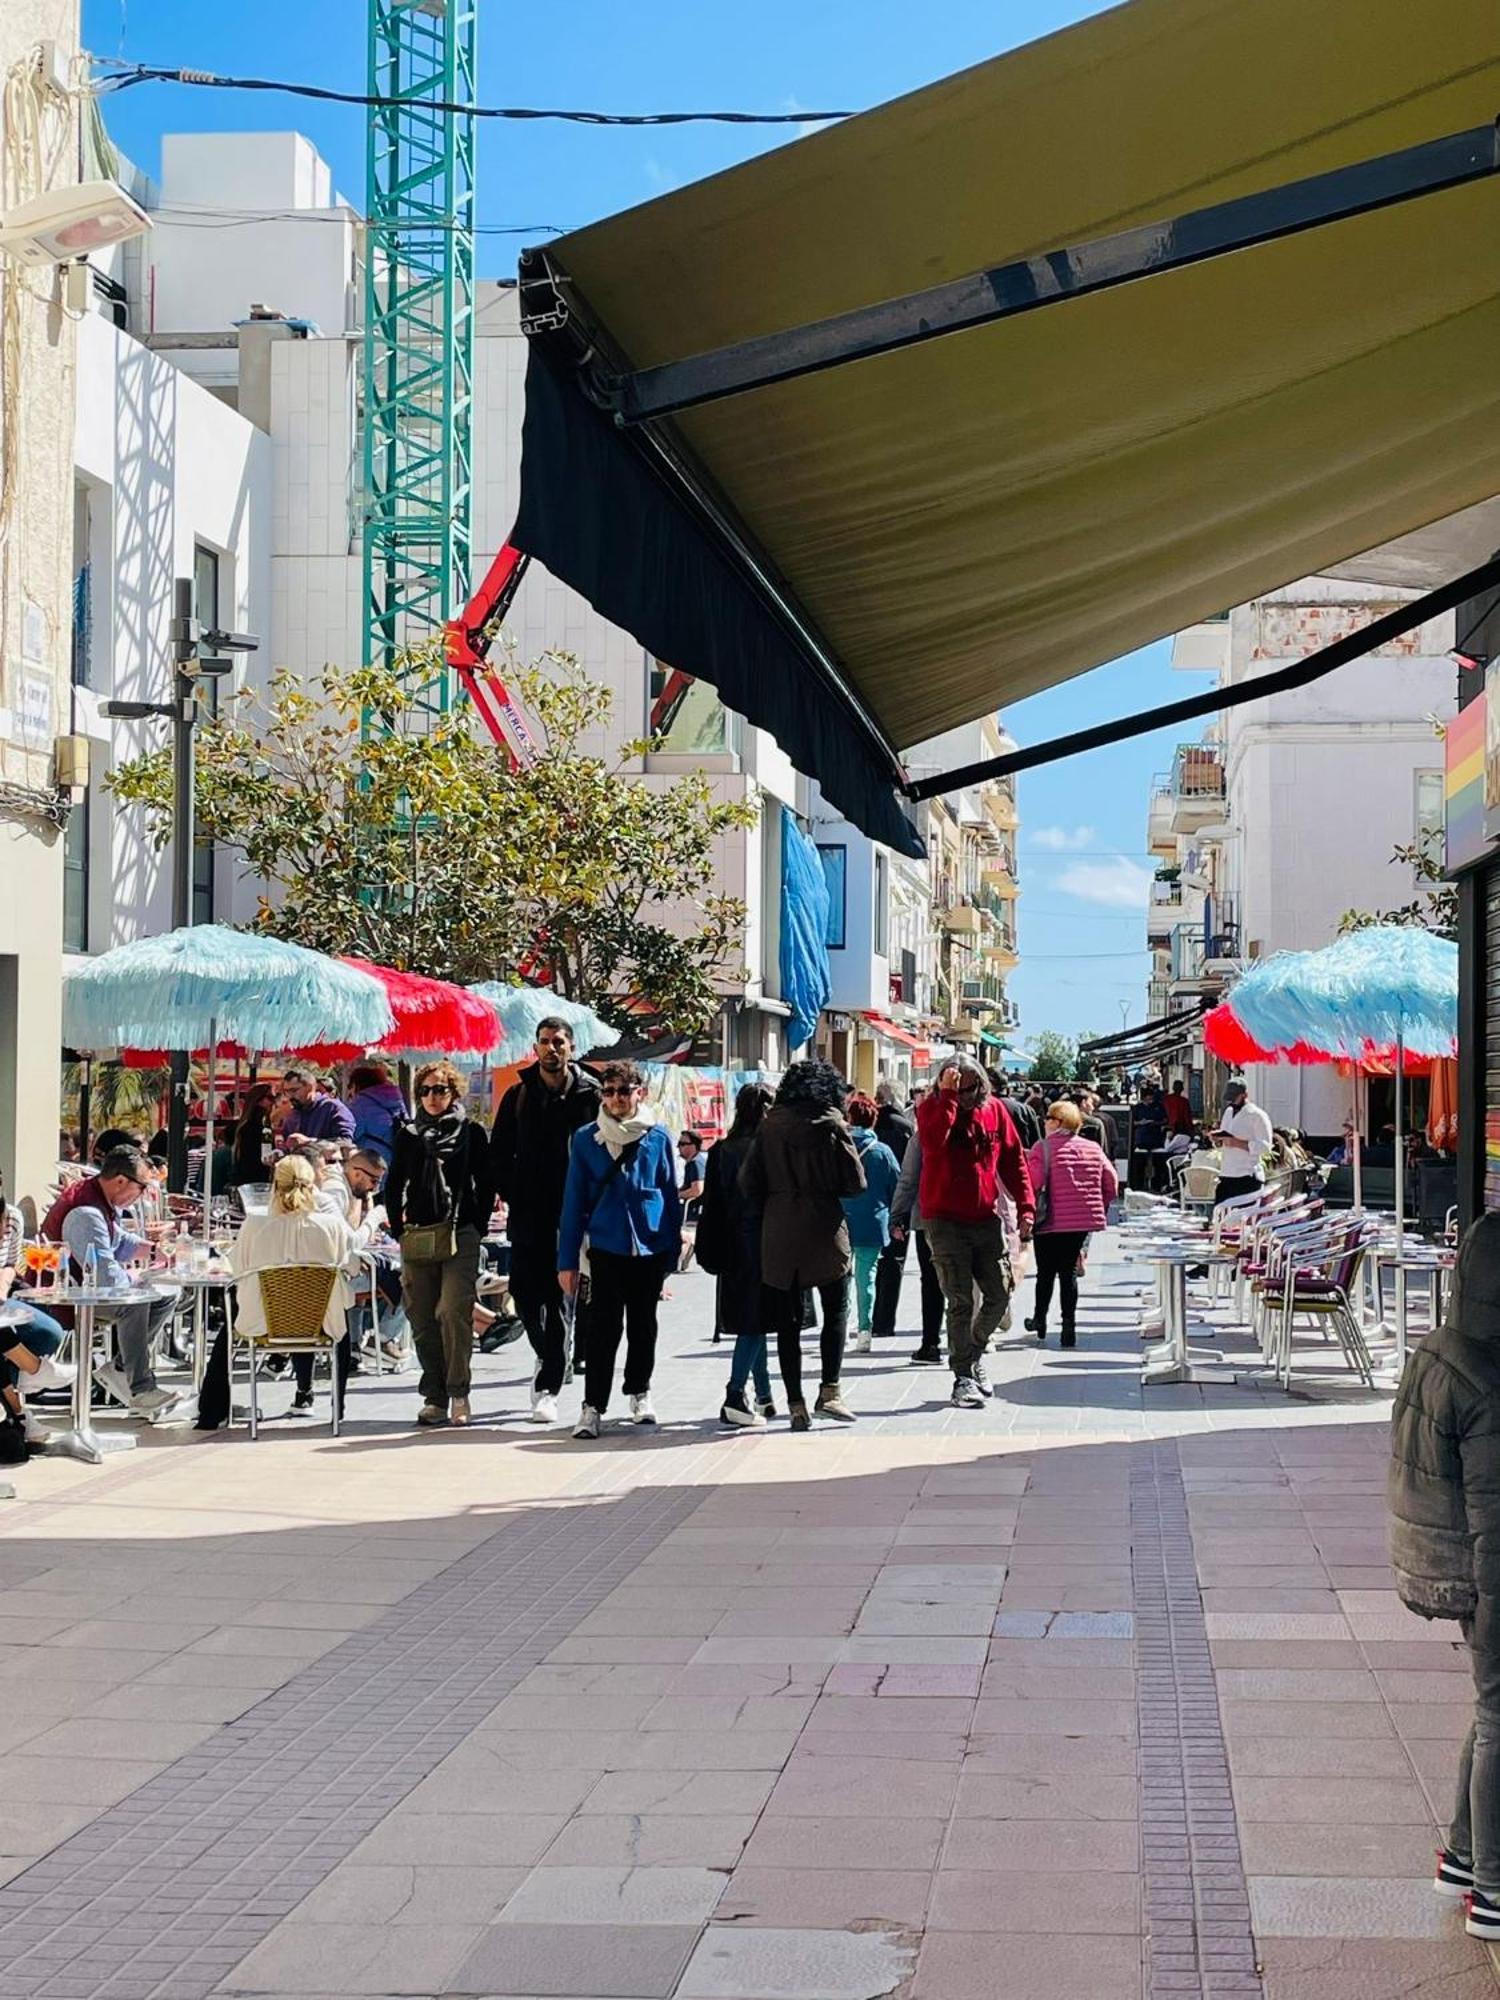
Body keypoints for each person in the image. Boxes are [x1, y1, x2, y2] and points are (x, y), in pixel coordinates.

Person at [1388, 1211, 1500, 1936]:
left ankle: (1463, 1855)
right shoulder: (1489, 1382)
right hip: (1479, 1568)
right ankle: (1493, 1890)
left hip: (1434, 1556)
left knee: (1492, 1710)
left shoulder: (1438, 1348)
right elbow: (1495, 1518)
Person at [558, 1061, 680, 1438]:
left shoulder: (657, 1137)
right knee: (601, 1331)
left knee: (644, 1327)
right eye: (608, 1092)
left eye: (623, 1091)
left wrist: (670, 1252)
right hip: (606, 1247)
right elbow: (573, 1201)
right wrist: (567, 1261)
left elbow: (669, 1195)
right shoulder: (585, 1138)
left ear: (639, 1093)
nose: (615, 1099)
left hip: (647, 1247)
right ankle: (592, 1406)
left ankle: (639, 1392)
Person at [741, 1061, 865, 1431]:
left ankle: (795, 1403)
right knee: (836, 1311)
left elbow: (748, 1182)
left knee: (787, 1322)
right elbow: (856, 1182)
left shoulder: (769, 1127)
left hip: (779, 1229)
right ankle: (830, 1391)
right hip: (825, 1227)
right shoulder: (833, 1125)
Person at [489, 1018, 601, 1425]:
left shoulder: (591, 1095)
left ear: (571, 1047)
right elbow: (498, 1153)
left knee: (557, 1298)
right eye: (543, 1042)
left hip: (573, 1213)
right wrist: (511, 1190)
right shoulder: (518, 1096)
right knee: (522, 1292)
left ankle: (548, 1385)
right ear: (535, 1048)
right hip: (528, 1211)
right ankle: (549, 1355)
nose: (551, 1049)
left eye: (558, 1042)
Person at [916, 1058, 1035, 1407]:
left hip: (984, 1216)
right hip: (944, 1218)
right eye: (959, 1088)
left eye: (973, 1088)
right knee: (960, 1301)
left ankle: (973, 1353)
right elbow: (934, 1143)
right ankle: (963, 1376)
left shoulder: (995, 1110)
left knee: (999, 1293)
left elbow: (1014, 1160)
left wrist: (1026, 1206)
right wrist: (948, 1099)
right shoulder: (932, 1109)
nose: (968, 1096)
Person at [387, 1061, 491, 1428]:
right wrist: (398, 1228)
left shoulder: (471, 1133)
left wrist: (476, 1225)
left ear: (454, 1093)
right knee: (421, 1315)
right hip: (418, 1232)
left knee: (452, 1309)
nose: (433, 1097)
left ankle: (458, 1389)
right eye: (426, 1090)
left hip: (460, 1230)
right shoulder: (409, 1134)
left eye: (441, 1090)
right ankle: (435, 1395)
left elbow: (486, 1181)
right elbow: (393, 1181)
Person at [40, 1147, 178, 1417]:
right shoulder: (86, 1213)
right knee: (135, 1302)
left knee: (166, 1295)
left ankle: (118, 1368)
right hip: (66, 1298)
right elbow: (106, 1278)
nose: (141, 1197)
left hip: (84, 1290)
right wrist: (137, 1276)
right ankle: (140, 1389)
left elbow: (118, 1241)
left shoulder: (99, 1199)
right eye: (142, 1188)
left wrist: (152, 1251)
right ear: (121, 1181)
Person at [229, 1155, 355, 1416]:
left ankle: (213, 1403)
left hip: (262, 1322)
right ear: (314, 1187)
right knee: (337, 1308)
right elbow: (351, 1268)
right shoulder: (332, 1226)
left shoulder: (254, 1224)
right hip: (321, 1323)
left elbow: (236, 1269)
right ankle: (338, 1405)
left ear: (274, 1185)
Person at [697, 1083, 778, 1429]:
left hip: (730, 1243)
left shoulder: (721, 1150)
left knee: (752, 1319)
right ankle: (735, 1394)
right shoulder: (770, 1149)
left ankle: (764, 1393)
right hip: (764, 1242)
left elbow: (711, 1205)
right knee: (756, 1321)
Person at [288, 1146, 387, 1417]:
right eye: (324, 1168)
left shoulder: (260, 1220)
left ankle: (302, 1388)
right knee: (392, 1276)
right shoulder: (327, 1202)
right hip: (322, 1304)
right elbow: (349, 1244)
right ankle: (382, 1341)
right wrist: (376, 1216)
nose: (329, 1173)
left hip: (273, 1310)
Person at [1024, 1098, 1119, 1347]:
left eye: (1048, 1118)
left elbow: (1032, 1184)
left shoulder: (1042, 1148)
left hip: (1049, 1220)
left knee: (1045, 1273)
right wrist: (1101, 1204)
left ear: (1058, 1122)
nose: (1044, 1122)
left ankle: (1040, 1320)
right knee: (1068, 1274)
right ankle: (1069, 1327)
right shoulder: (1092, 1148)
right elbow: (1111, 1181)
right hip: (1079, 1222)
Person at [842, 1094, 901, 1353]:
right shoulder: (882, 1151)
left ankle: (841, 1326)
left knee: (841, 1277)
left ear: (849, 1118)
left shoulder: (838, 1146)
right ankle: (864, 1331)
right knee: (867, 1277)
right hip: (873, 1222)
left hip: (840, 1221)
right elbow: (896, 1187)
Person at [889, 1131, 949, 1365]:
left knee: (932, 1281)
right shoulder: (975, 1123)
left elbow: (908, 1179)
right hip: (968, 1217)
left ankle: (931, 1343)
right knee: (961, 1280)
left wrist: (897, 1216)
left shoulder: (924, 1135)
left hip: (929, 1217)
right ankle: (963, 1346)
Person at [871, 1085, 920, 1342]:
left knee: (865, 1264)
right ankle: (884, 1321)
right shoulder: (905, 1127)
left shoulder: (870, 1122)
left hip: (870, 1201)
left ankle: (866, 1320)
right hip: (899, 1201)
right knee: (894, 1260)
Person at [1211, 1079, 1274, 1202]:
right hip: (1227, 1173)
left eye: (1234, 1098)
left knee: (1244, 1218)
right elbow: (1226, 1137)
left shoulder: (1257, 1115)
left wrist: (1237, 1143)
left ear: (1244, 1095)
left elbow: (1265, 1147)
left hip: (1246, 1175)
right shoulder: (1228, 1113)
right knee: (1221, 1216)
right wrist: (1218, 1140)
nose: (1231, 1101)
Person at [346, 1061, 409, 1166]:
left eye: (350, 1086)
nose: (349, 1092)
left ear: (356, 1085)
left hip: (373, 1163)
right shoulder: (396, 1100)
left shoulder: (361, 1104)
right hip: (399, 1159)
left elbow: (349, 1135)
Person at [278, 1067, 356, 1148]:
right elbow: (286, 1141)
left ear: (310, 1087)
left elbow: (345, 1142)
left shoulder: (333, 1108)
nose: (290, 1096)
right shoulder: (293, 1114)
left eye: (294, 1090)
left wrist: (309, 1142)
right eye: (286, 1092)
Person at [676, 1131, 707, 1272]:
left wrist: (679, 1195)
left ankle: (689, 1243)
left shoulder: (696, 1163)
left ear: (694, 1146)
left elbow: (697, 1189)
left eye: (683, 1144)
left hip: (693, 1208)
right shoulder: (692, 1163)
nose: (679, 1147)